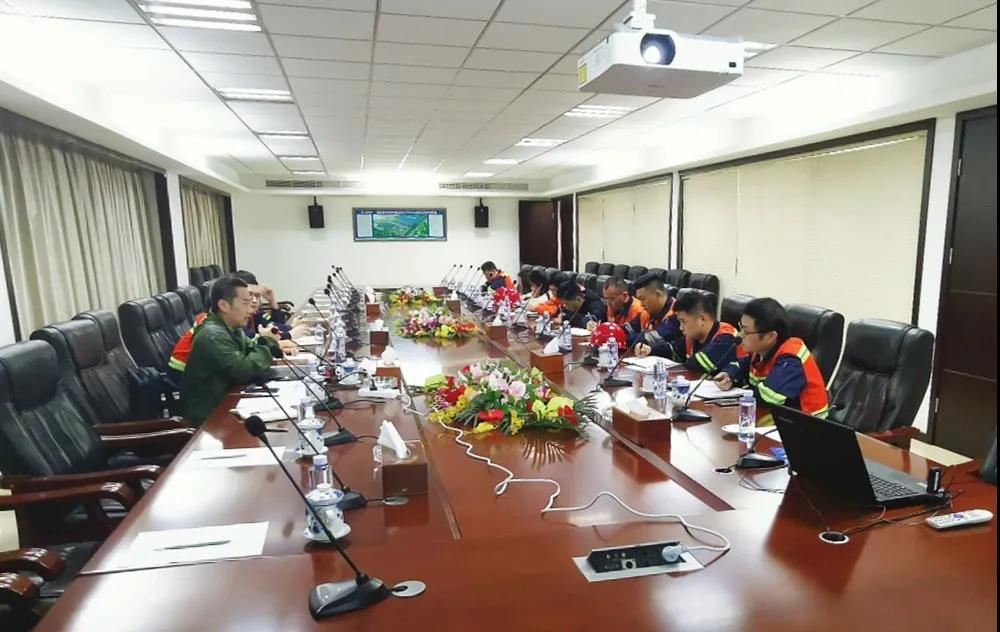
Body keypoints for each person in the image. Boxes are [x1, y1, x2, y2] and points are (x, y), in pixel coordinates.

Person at [181, 275, 282, 426]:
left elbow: (253, 351)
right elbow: (246, 370)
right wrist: (267, 344)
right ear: (224, 305)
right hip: (210, 420)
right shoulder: (212, 335)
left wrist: (263, 345)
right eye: (245, 303)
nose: (250, 309)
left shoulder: (232, 328)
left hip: (230, 405)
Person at [715, 297, 829, 421]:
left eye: (746, 331)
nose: (740, 335)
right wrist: (729, 375)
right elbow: (741, 364)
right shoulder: (761, 351)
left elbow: (767, 397)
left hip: (806, 425)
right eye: (740, 327)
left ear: (770, 336)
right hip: (774, 420)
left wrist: (741, 395)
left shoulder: (791, 358)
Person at [671, 290, 741, 373]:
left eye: (683, 322)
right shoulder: (693, 336)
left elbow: (696, 365)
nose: (680, 328)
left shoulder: (726, 338)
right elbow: (671, 351)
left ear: (702, 319)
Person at [632, 274, 682, 358]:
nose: (641, 304)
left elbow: (652, 340)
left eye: (643, 299)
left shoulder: (676, 314)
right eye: (639, 300)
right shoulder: (647, 312)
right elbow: (627, 331)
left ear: (658, 294)